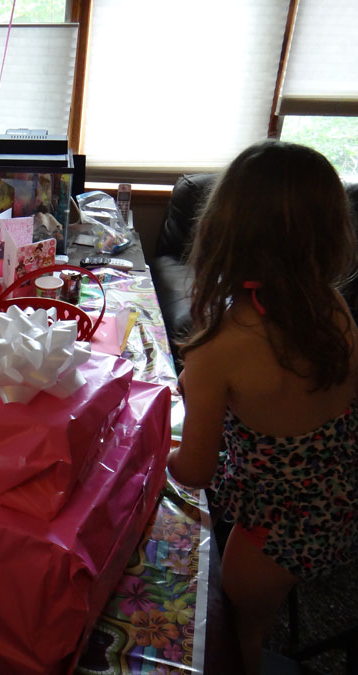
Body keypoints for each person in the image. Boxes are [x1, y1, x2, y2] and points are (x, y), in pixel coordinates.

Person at [166, 140, 358, 675]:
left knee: (237, 639)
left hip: (273, 527)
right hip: (337, 497)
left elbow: (194, 471)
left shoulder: (220, 345)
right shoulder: (331, 304)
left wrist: (160, 451)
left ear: (222, 228)